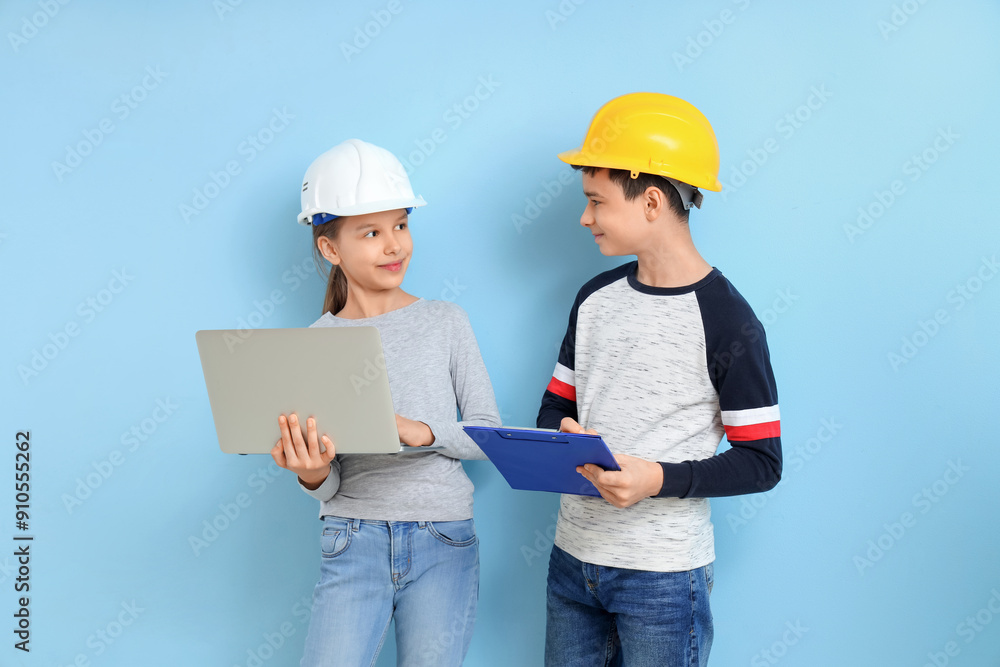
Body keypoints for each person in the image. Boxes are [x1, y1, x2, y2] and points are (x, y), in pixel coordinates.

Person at [536, 93, 783, 667]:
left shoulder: (728, 319)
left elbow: (762, 461)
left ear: (650, 201)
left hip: (663, 579)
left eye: (596, 201)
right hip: (572, 560)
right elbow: (553, 408)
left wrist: (657, 479)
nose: (585, 217)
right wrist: (560, 436)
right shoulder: (593, 298)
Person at [271, 138, 500, 667]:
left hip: (443, 538)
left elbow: (489, 433)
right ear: (331, 249)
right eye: (371, 233)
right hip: (351, 539)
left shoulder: (445, 321)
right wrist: (311, 473)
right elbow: (330, 484)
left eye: (400, 225)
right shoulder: (316, 342)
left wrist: (421, 431)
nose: (394, 245)